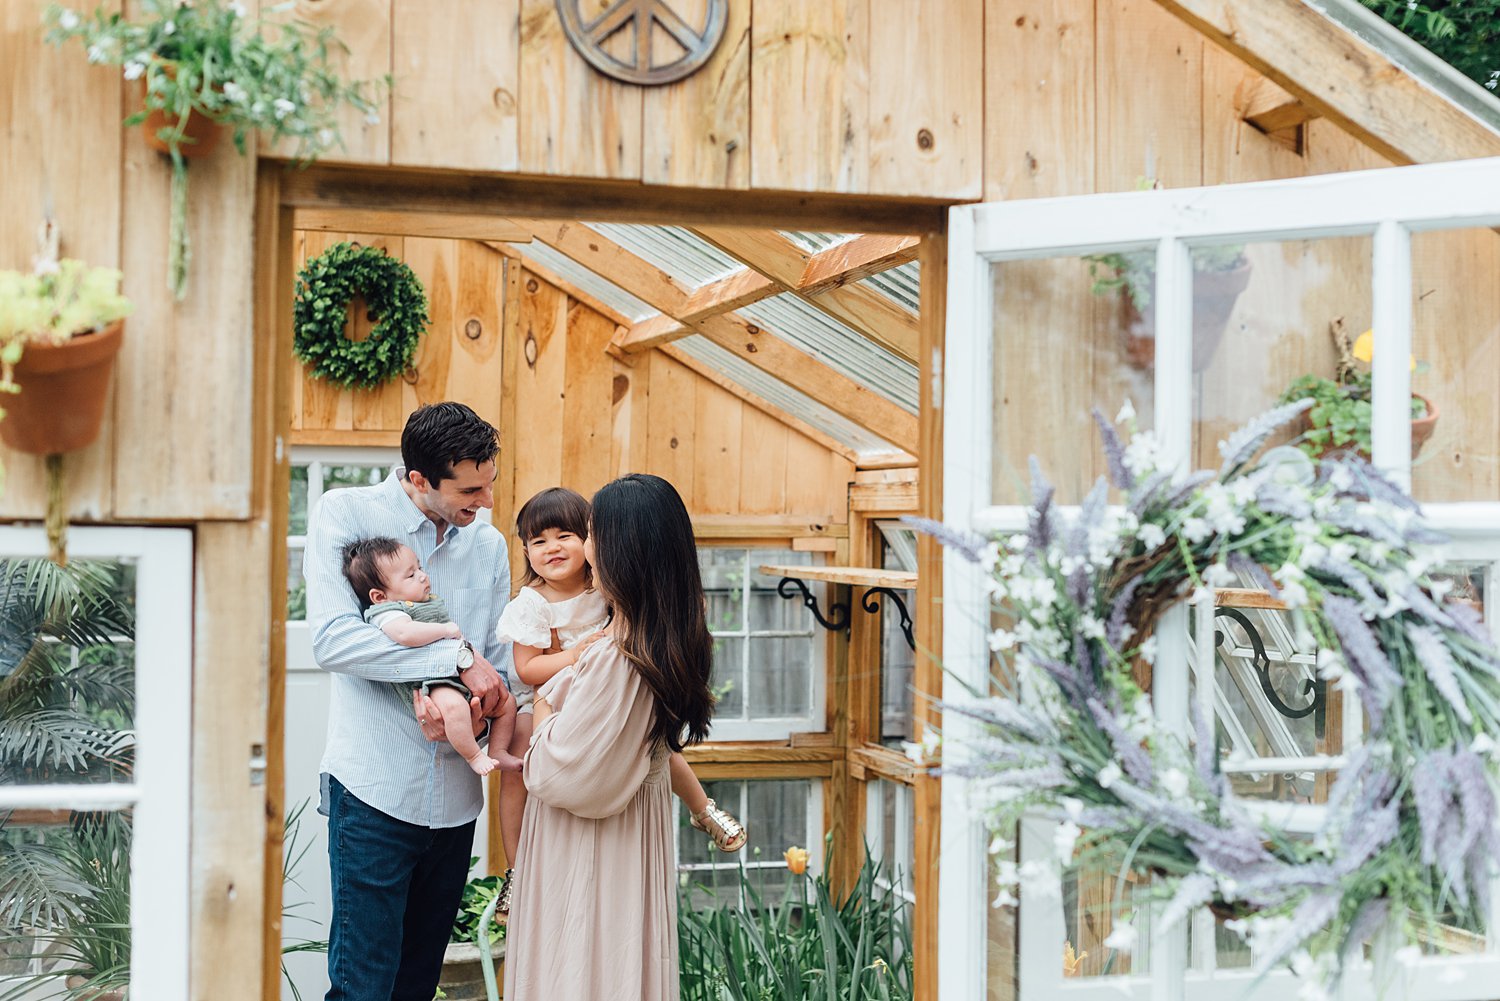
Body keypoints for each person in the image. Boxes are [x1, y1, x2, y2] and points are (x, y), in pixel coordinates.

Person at [305, 402, 515, 1001]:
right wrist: (454, 660)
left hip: (455, 802)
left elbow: (496, 665)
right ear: (419, 479)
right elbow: (335, 641)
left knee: (418, 988)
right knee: (362, 990)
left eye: (491, 483)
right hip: (374, 790)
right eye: (471, 489)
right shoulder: (346, 515)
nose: (488, 501)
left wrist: (482, 700)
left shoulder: (489, 545)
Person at [504, 474, 715, 1001]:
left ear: (622, 549)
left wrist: (548, 707)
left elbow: (565, 777)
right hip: (630, 835)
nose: (584, 548)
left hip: (590, 847)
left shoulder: (616, 654)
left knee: (583, 969)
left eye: (591, 533)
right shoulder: (659, 639)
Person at [341, 537, 523, 776]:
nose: (422, 576)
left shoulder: (423, 601)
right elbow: (405, 633)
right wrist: (445, 631)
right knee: (454, 707)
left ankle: (497, 750)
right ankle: (474, 755)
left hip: (455, 676)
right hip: (431, 682)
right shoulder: (387, 612)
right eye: (410, 575)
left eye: (420, 568)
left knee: (507, 702)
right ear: (379, 596)